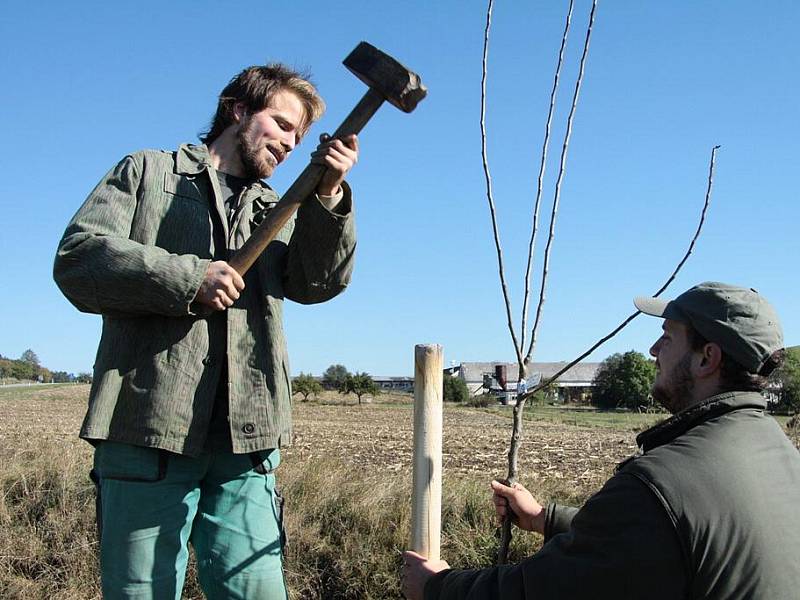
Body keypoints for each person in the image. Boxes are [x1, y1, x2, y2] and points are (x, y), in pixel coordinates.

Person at [54, 64, 359, 599]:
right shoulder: (149, 174)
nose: (290, 144)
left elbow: (317, 283)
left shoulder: (278, 209)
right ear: (238, 109)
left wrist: (329, 196)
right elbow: (78, 260)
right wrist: (187, 277)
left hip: (247, 444)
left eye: (299, 136)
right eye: (282, 124)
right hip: (146, 430)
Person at [402, 282, 800, 600]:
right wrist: (546, 519)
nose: (654, 350)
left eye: (668, 337)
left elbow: (542, 589)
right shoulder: (784, 457)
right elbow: (672, 536)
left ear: (705, 358)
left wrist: (439, 587)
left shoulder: (661, 482)